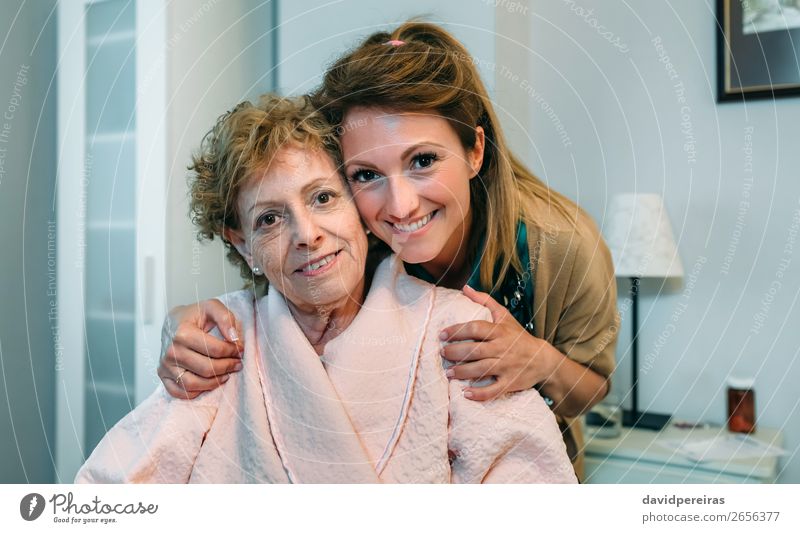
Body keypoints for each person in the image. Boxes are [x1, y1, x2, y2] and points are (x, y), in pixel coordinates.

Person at [157, 22, 618, 480]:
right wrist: (183, 323)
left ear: (475, 149)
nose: (400, 207)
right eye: (365, 174)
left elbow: (594, 387)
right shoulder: (355, 232)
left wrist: (539, 360)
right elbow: (277, 287)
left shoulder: (562, 246)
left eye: (423, 161)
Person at [75, 94, 576, 483]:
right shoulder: (220, 341)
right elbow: (119, 484)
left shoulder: (453, 328)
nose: (306, 234)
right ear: (243, 243)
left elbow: (530, 483)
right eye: (270, 219)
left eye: (322, 197)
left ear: (358, 207)